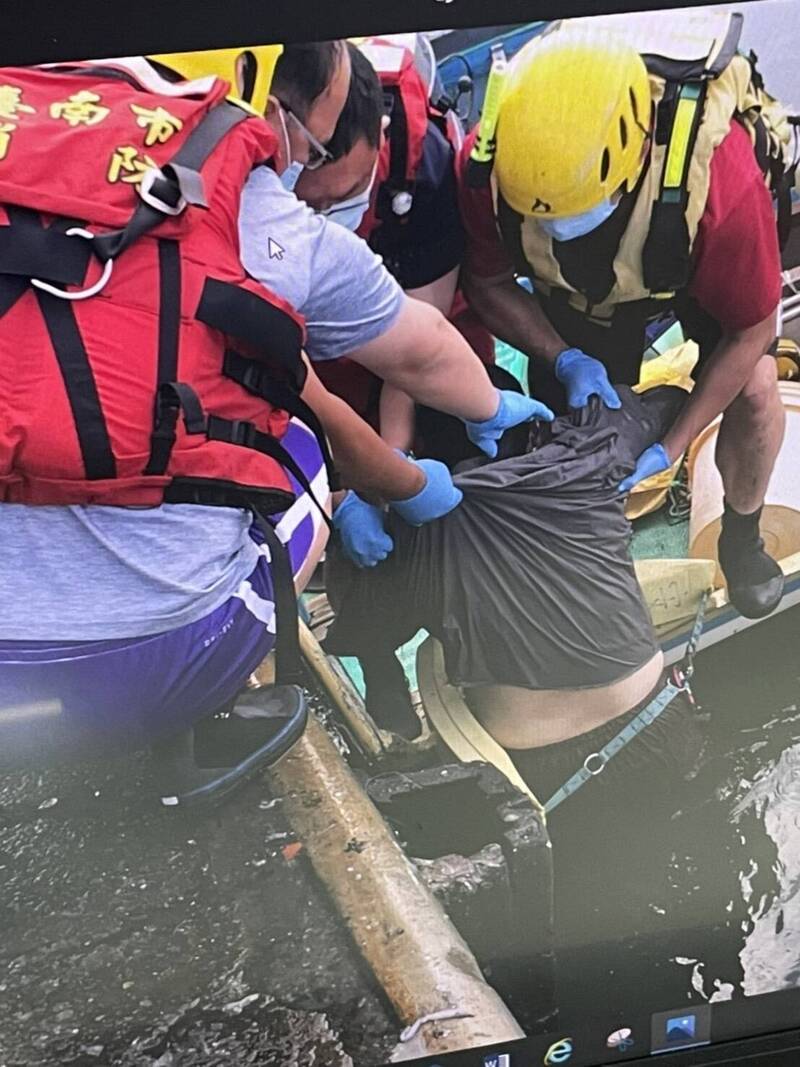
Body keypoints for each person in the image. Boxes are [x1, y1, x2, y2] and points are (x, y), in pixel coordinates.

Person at [0, 53, 464, 787]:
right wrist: (425, 465)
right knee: (291, 440)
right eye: (306, 148)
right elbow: (420, 350)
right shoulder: (255, 212)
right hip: (153, 670)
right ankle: (207, 711)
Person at [456, 17, 787, 620]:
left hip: (682, 262)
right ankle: (582, 573)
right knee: (572, 429)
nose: (558, 224)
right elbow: (487, 282)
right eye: (542, 215)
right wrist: (565, 357)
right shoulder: (490, 162)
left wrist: (674, 442)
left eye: (575, 210)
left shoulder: (722, 189)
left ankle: (743, 537)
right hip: (568, 291)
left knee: (758, 390)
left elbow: (752, 330)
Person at [293, 40, 510, 467]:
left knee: (463, 407)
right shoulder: (254, 176)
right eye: (306, 206)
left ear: (381, 136)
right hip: (302, 348)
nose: (325, 216)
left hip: (404, 323)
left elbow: (418, 341)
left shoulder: (426, 166)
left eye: (342, 197)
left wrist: (395, 457)